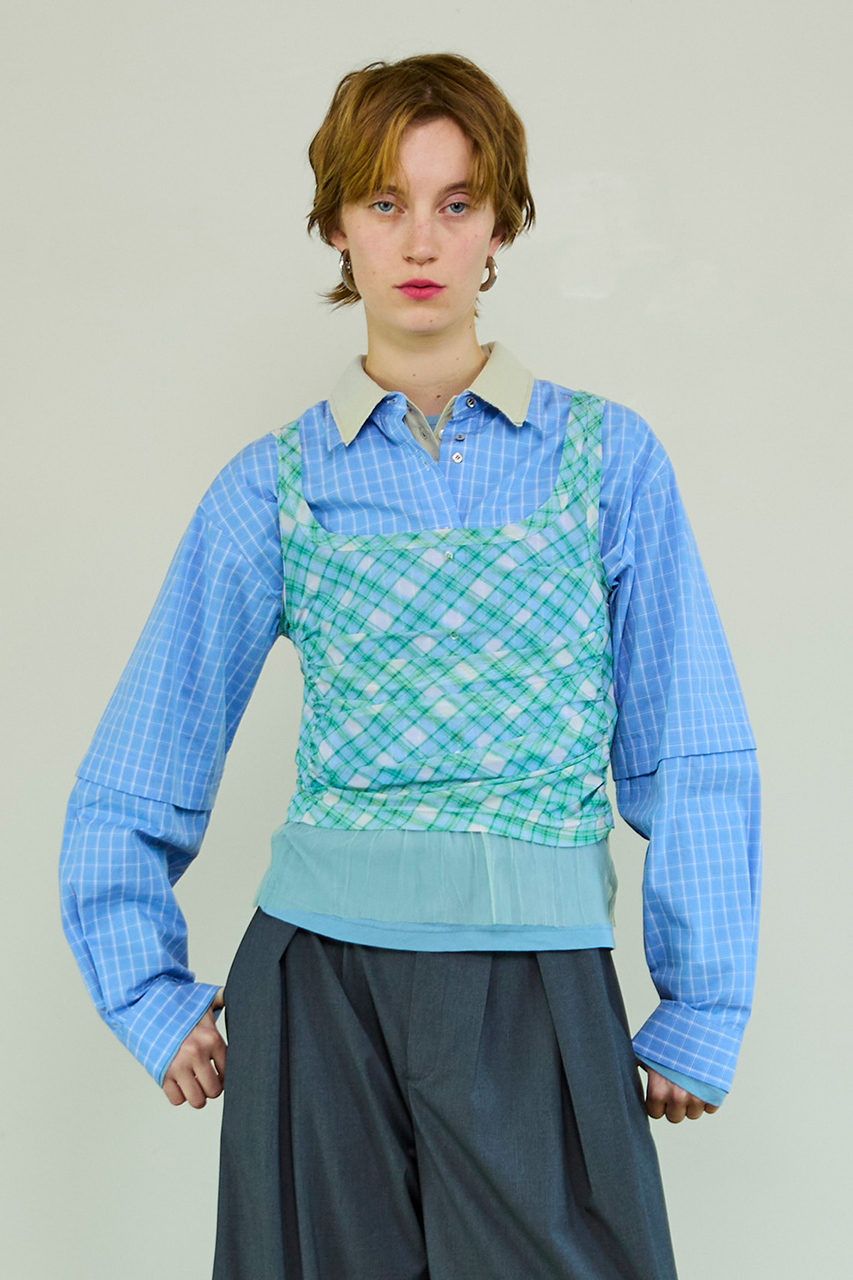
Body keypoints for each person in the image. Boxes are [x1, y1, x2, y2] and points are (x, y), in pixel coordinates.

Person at [59, 52, 761, 1279]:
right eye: (385, 202)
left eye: (456, 201)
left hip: (538, 980)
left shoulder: (606, 461)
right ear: (338, 226)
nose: (421, 239)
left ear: (501, 225)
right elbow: (147, 748)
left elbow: (686, 740)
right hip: (320, 990)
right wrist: (143, 986)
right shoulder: (275, 486)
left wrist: (702, 999)